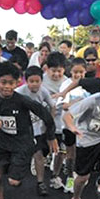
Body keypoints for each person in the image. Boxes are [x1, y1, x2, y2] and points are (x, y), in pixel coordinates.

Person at [0, 62, 57, 199]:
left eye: (11, 83)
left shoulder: (23, 100)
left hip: (22, 143)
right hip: (3, 143)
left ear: (17, 83)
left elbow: (46, 115)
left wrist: (51, 137)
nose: (7, 87)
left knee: (14, 182)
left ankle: (16, 168)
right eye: (3, 83)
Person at [16, 66, 55, 196]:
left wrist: (49, 121)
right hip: (22, 130)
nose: (34, 84)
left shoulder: (44, 92)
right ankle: (17, 176)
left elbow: (52, 106)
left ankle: (40, 182)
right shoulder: (19, 92)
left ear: (41, 81)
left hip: (38, 129)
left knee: (39, 155)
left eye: (37, 81)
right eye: (31, 81)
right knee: (20, 156)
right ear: (26, 81)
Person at [40, 52, 71, 190]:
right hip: (43, 121)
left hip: (61, 120)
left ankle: (55, 175)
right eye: (53, 71)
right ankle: (40, 172)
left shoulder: (68, 82)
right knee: (43, 149)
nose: (56, 74)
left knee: (61, 151)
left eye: (59, 71)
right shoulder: (41, 80)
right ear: (47, 68)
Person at [58, 58, 89, 193]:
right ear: (70, 71)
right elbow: (62, 105)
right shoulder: (66, 84)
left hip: (85, 125)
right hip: (69, 125)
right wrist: (76, 102)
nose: (78, 75)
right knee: (70, 153)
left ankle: (79, 175)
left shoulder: (88, 84)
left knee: (82, 153)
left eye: (81, 72)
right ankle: (70, 177)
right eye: (75, 72)